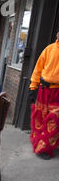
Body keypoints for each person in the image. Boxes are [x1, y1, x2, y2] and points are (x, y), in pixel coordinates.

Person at [29, 30, 59, 160]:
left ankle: (44, 147)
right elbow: (38, 69)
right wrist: (32, 86)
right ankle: (38, 142)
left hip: (57, 92)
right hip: (43, 90)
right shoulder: (49, 49)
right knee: (40, 118)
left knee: (53, 120)